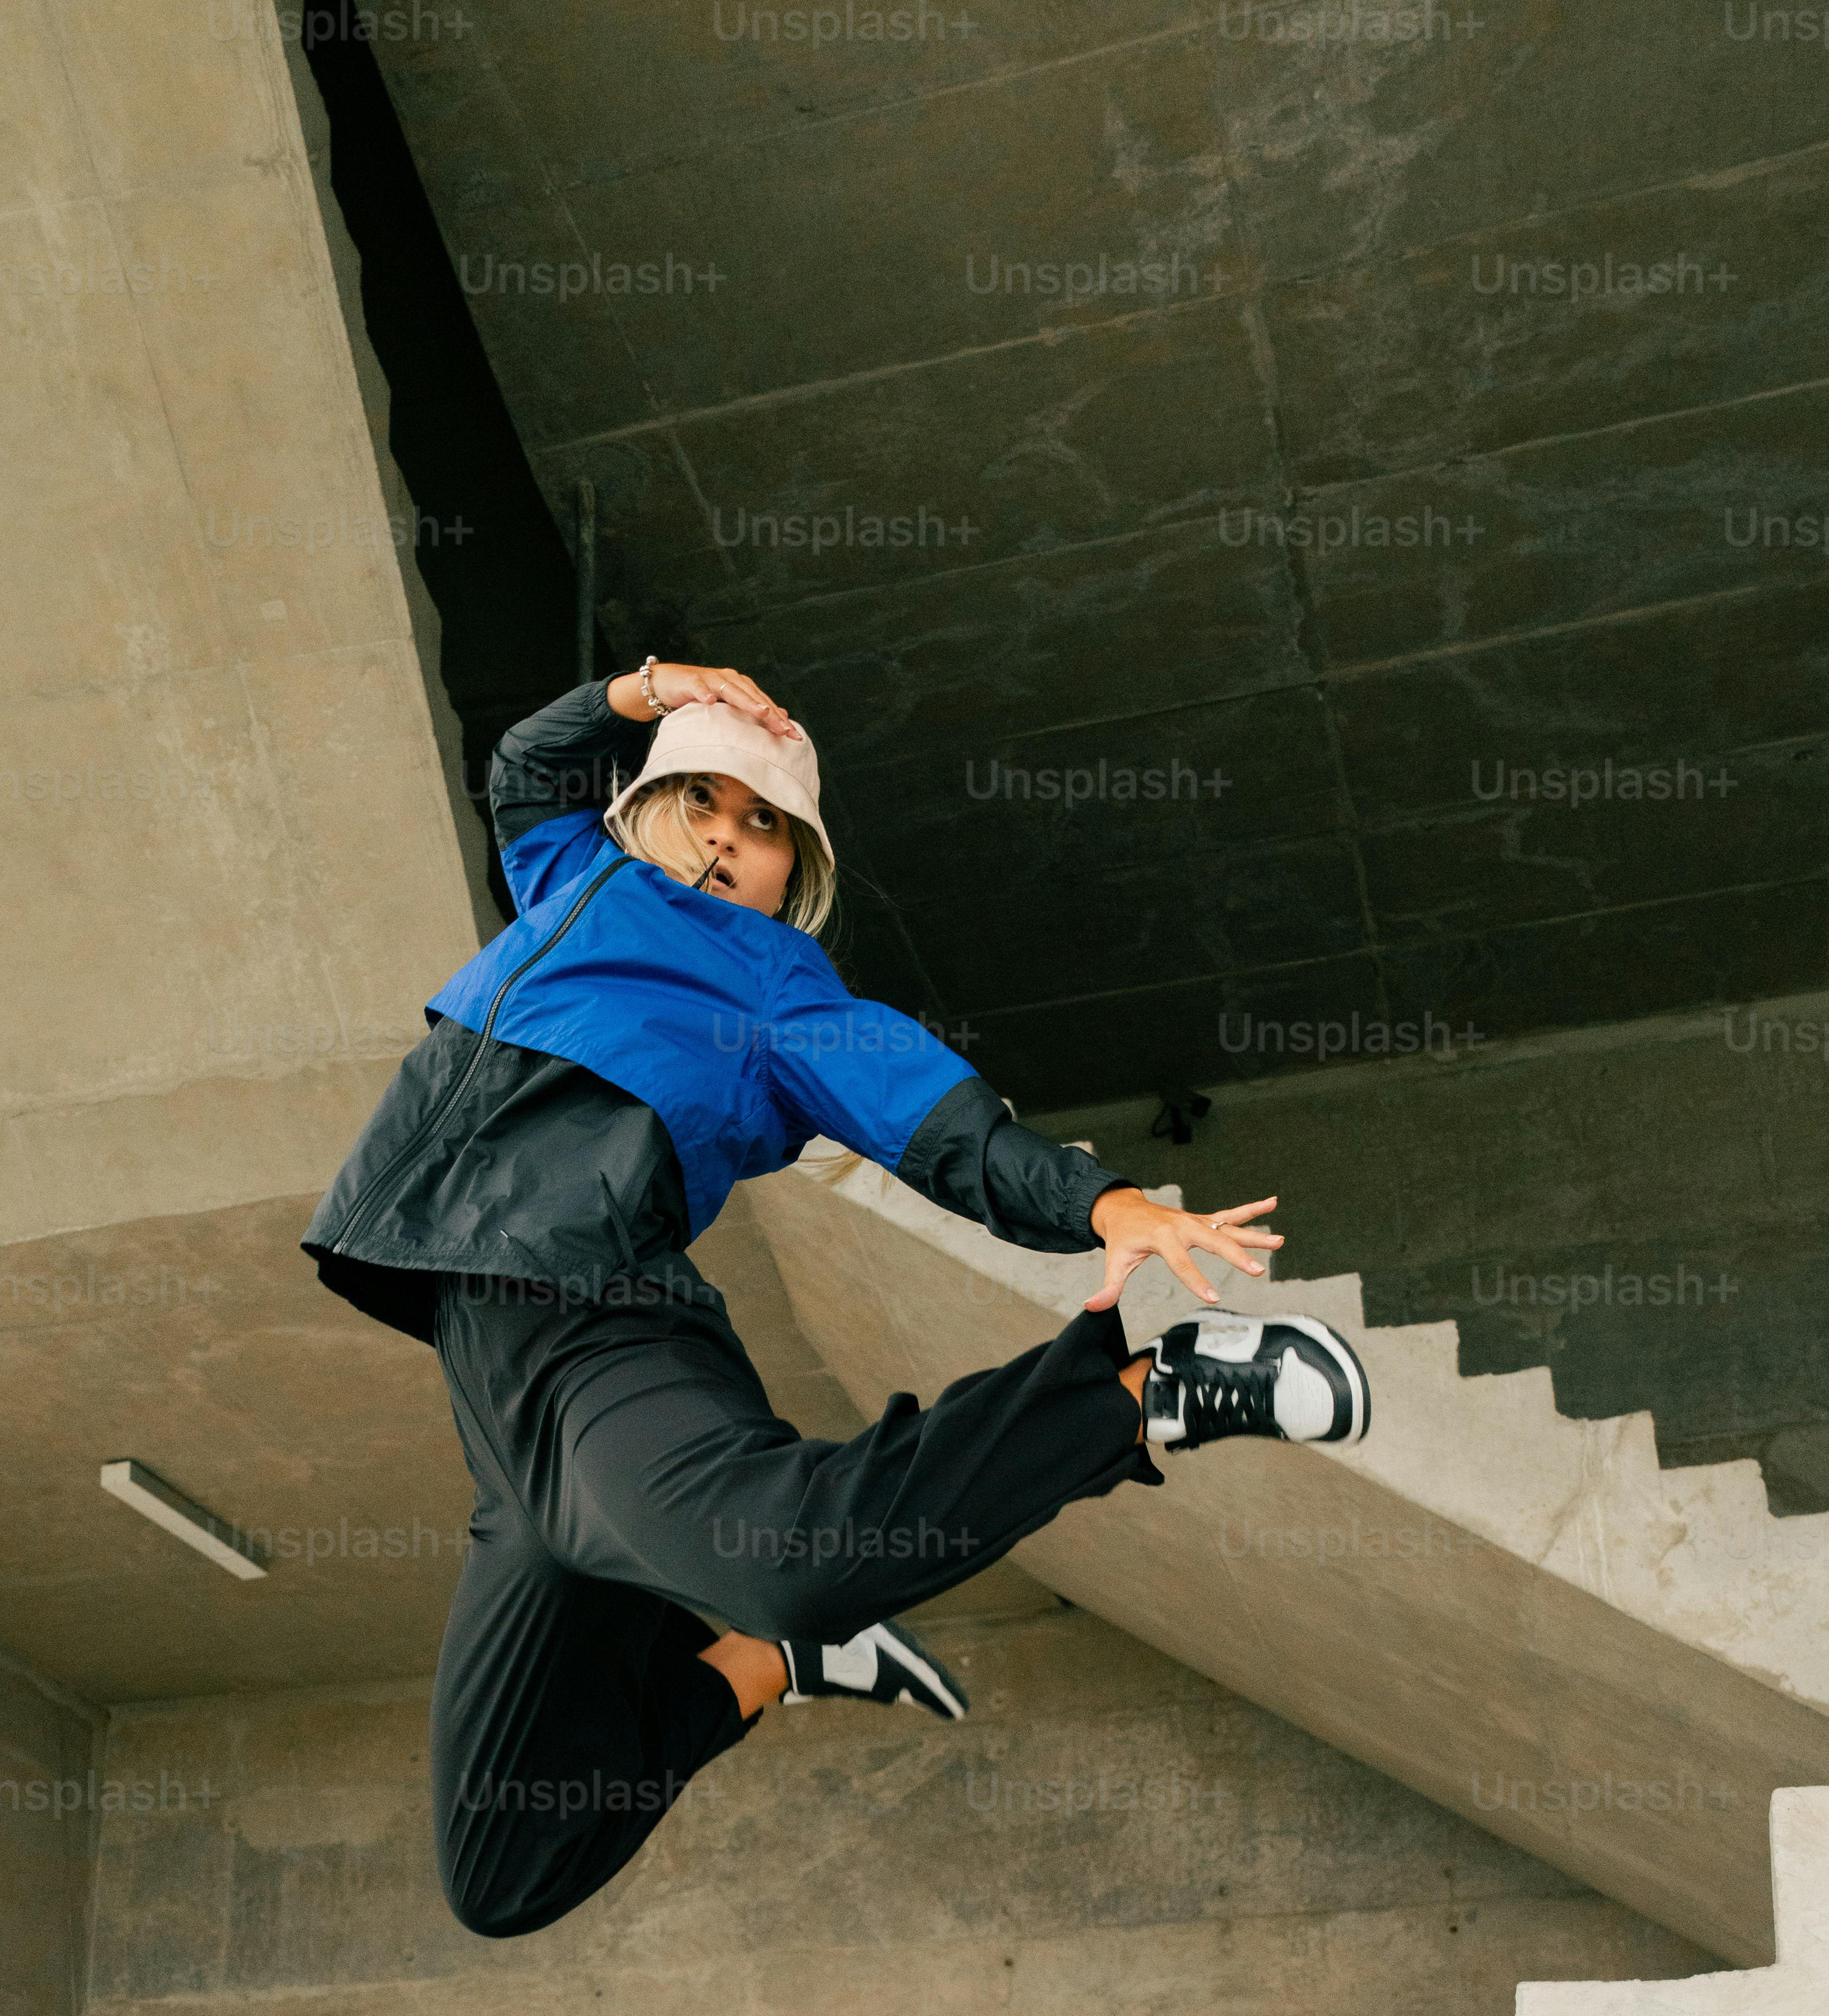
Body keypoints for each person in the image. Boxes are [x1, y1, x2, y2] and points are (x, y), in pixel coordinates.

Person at [304, 661, 1370, 1941]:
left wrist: (1101, 1204)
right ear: (649, 810)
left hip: (602, 1334)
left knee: (788, 1560)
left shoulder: (772, 986)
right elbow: (528, 762)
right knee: (506, 1868)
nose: (724, 839)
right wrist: (649, 687)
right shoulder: (565, 877)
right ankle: (767, 1667)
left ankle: (1140, 1396)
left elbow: (931, 1116)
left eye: (763, 830)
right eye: (703, 802)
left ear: (789, 880)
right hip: (501, 1423)